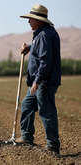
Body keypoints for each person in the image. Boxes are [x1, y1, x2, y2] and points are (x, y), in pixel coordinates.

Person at [15, 4, 61, 155]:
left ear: (39, 20)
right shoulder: (41, 34)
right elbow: (40, 49)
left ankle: (53, 145)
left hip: (43, 82)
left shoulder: (45, 35)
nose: (29, 22)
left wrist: (37, 81)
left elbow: (45, 61)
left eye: (31, 19)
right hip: (39, 81)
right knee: (27, 105)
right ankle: (27, 136)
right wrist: (29, 47)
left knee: (46, 111)